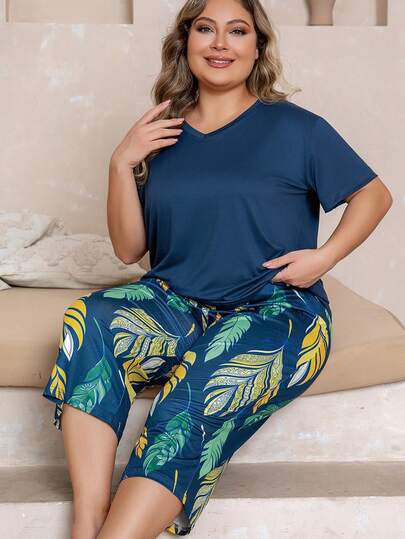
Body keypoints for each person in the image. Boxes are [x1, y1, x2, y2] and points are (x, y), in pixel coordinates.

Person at [41, 0, 393, 537]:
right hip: (176, 304)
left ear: (258, 46)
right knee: (90, 319)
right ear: (186, 42)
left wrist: (325, 256)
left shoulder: (296, 128)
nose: (221, 43)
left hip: (277, 310)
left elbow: (374, 194)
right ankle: (88, 522)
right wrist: (121, 162)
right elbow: (130, 249)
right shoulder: (161, 136)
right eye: (206, 29)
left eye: (238, 31)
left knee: (195, 390)